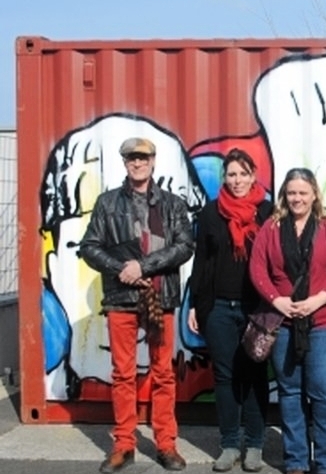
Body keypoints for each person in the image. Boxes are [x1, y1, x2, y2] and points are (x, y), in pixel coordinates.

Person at [79, 137, 194, 473]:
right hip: (121, 298)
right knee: (123, 374)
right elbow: (89, 247)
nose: (137, 162)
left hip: (160, 297)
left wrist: (143, 266)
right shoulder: (107, 203)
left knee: (163, 374)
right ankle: (124, 445)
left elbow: (185, 246)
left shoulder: (172, 204)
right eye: (131, 157)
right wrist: (122, 270)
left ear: (153, 161)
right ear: (125, 162)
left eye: (143, 157)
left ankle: (166, 445)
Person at [248, 167, 326, 474]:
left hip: (325, 321)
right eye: (291, 193)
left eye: (303, 193)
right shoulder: (271, 228)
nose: (297, 198)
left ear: (314, 194)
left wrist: (318, 299)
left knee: (322, 390)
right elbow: (257, 269)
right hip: (282, 321)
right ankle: (295, 460)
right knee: (290, 392)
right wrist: (277, 300)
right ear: (284, 195)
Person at [187, 149, 274, 472]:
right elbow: (202, 262)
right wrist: (196, 304)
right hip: (219, 307)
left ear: (253, 175)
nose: (237, 180)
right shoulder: (212, 213)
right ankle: (228, 444)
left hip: (257, 308)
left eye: (242, 173)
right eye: (231, 174)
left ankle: (254, 445)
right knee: (225, 377)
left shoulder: (267, 212)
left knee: (254, 376)